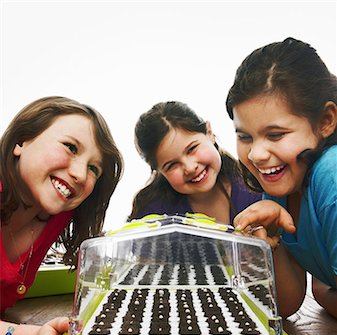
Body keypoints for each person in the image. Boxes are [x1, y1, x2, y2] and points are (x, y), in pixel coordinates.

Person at [1, 96, 123, 335]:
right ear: (22, 141)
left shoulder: (57, 216)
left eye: (95, 169)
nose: (81, 174)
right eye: (70, 147)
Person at [225, 37, 337, 319]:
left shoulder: (331, 175)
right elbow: (286, 306)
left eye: (275, 135)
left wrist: (327, 294)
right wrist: (270, 244)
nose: (257, 154)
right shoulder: (279, 186)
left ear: (325, 121)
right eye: (244, 137)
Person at [129, 101, 260, 224]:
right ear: (159, 171)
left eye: (192, 149)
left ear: (209, 132)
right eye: (172, 165)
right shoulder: (153, 217)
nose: (190, 168)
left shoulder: (257, 185)